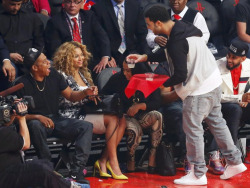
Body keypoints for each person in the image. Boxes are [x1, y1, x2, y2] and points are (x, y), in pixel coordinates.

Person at [127, 5, 246, 185]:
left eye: (149, 24)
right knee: (218, 123)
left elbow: (180, 74)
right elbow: (172, 50)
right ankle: (235, 161)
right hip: (212, 82)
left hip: (198, 90)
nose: (149, 28)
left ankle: (198, 173)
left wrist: (161, 84)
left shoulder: (175, 41)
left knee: (193, 130)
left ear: (158, 23)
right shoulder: (183, 27)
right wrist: (146, 57)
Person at [15, 48, 96, 184]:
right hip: (36, 123)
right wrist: (37, 117)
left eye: (47, 60)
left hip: (56, 119)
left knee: (86, 126)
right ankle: (48, 168)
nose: (49, 63)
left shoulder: (54, 75)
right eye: (45, 62)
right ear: (35, 67)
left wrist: (85, 93)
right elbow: (17, 115)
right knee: (35, 125)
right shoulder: (21, 84)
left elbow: (70, 95)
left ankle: (77, 171)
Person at [53, 41, 128, 180]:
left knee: (121, 119)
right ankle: (113, 162)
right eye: (76, 56)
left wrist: (93, 95)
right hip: (70, 115)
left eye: (81, 55)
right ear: (67, 58)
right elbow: (64, 100)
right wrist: (86, 95)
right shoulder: (60, 75)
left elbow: (87, 95)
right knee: (112, 119)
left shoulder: (83, 73)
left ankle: (103, 160)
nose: (81, 58)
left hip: (86, 111)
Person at [0, 99, 89, 188]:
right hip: (7, 177)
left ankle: (65, 183)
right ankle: (70, 186)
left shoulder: (4, 130)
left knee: (44, 165)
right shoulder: (3, 132)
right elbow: (26, 144)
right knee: (40, 168)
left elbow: (6, 125)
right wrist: (22, 118)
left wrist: (13, 115)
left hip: (10, 172)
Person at [102, 60, 163, 174]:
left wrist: (141, 106)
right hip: (123, 115)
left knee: (158, 116)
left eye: (129, 71)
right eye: (123, 70)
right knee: (133, 128)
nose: (125, 73)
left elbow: (157, 102)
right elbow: (104, 96)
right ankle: (131, 162)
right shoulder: (118, 79)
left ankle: (152, 159)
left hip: (142, 114)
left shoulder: (148, 78)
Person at [45, 0, 113, 76]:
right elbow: (55, 49)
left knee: (107, 68)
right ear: (63, 3)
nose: (72, 5)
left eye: (76, 2)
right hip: (69, 62)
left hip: (89, 60)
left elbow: (102, 37)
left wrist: (105, 57)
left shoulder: (89, 16)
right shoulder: (55, 22)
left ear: (82, 3)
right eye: (68, 2)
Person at [212, 41, 250, 165]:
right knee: (235, 109)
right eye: (229, 55)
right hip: (223, 106)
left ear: (243, 59)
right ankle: (232, 153)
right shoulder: (216, 66)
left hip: (243, 104)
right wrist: (239, 98)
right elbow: (215, 96)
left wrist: (247, 98)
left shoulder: (249, 65)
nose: (229, 59)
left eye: (234, 58)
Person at [91, 0, 150, 68]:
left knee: (143, 70)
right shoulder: (98, 8)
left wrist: (147, 55)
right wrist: (106, 55)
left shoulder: (135, 5)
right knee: (109, 74)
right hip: (111, 54)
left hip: (131, 51)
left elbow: (142, 34)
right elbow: (97, 38)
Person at [0, 0, 44, 76]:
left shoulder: (31, 17)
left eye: (19, 4)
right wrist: (8, 56)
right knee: (8, 72)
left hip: (29, 58)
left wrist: (32, 56)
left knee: (50, 68)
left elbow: (39, 41)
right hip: (5, 59)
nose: (16, 8)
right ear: (4, 1)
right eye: (12, 4)